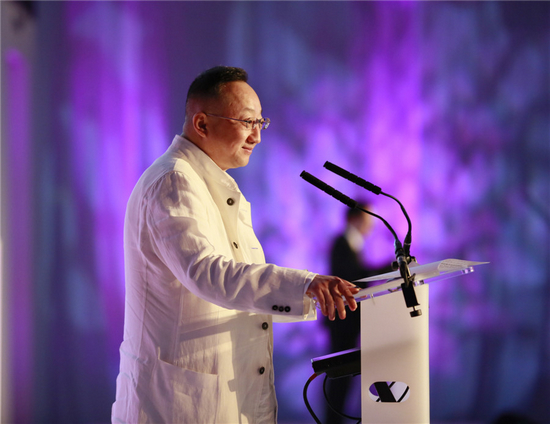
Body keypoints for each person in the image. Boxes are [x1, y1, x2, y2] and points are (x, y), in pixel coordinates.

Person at [111, 66, 360, 424]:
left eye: (261, 122)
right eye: (247, 122)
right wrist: (304, 284)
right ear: (201, 123)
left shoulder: (207, 181)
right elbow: (207, 273)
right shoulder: (174, 181)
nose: (256, 136)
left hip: (219, 396)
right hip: (179, 405)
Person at [323, 204, 392, 423]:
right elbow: (351, 277)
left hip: (349, 320)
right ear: (354, 218)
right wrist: (387, 268)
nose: (370, 225)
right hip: (341, 320)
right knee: (340, 373)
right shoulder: (341, 242)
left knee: (345, 374)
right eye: (367, 219)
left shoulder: (354, 243)